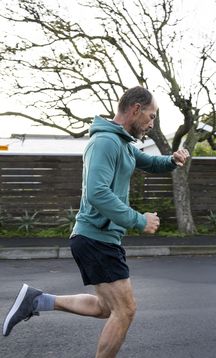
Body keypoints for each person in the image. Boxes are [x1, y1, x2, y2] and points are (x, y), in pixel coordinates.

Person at [2, 86, 190, 358]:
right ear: (135, 109)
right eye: (151, 116)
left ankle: (37, 300)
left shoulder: (122, 142)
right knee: (125, 311)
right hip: (96, 238)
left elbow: (150, 162)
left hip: (99, 238)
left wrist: (172, 160)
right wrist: (138, 220)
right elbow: (97, 193)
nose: (152, 123)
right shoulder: (105, 142)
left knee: (106, 308)